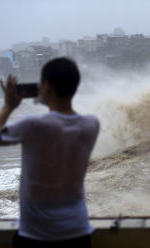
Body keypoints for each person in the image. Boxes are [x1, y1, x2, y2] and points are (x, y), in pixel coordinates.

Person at [0, 58, 100, 248]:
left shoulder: (33, 125)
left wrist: (8, 107)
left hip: (36, 235)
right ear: (75, 87)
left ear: (45, 86)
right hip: (78, 232)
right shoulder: (91, 125)